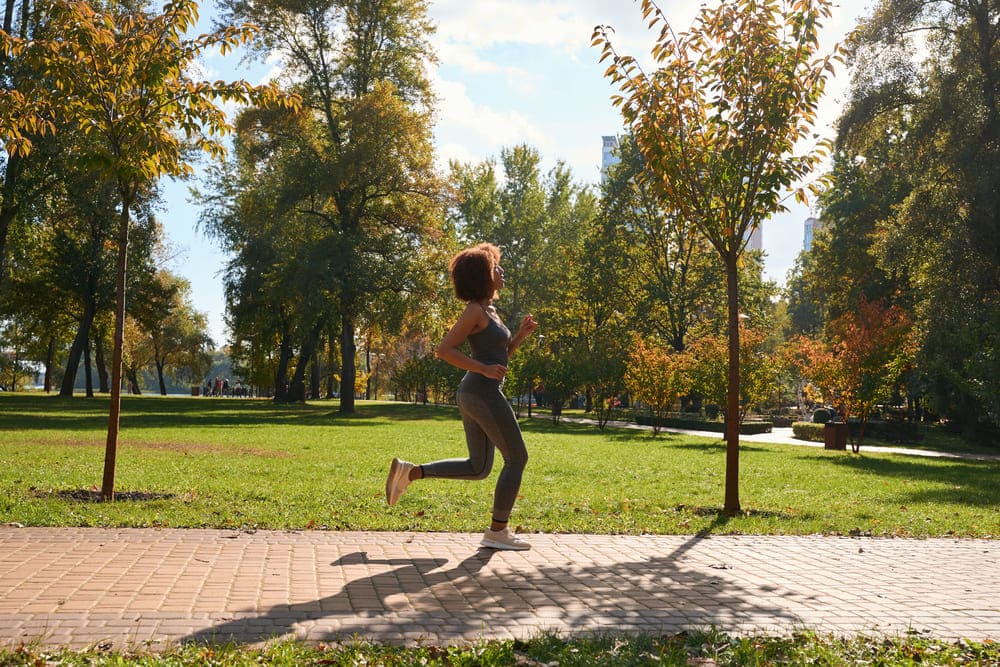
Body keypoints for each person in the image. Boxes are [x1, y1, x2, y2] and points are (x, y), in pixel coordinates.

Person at [385, 243, 538, 550]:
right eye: (495, 266)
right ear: (483, 275)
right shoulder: (474, 311)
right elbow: (444, 350)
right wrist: (482, 368)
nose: (501, 271)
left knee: (478, 467)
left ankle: (410, 473)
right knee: (517, 457)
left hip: (478, 391)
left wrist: (519, 337)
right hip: (479, 392)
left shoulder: (489, 311)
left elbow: (497, 357)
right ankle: (498, 531)